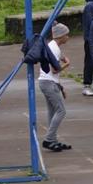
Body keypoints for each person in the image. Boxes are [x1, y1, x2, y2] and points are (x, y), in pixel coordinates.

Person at [38, 22, 72, 152]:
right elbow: (54, 70)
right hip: (48, 83)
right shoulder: (54, 48)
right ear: (61, 35)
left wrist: (60, 87)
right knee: (61, 111)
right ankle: (49, 139)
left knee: (52, 112)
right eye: (66, 35)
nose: (68, 37)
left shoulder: (51, 46)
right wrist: (67, 64)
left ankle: (53, 140)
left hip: (47, 83)